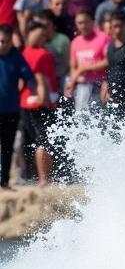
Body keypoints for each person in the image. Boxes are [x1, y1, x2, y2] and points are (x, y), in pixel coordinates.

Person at [0, 24, 40, 188]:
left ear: (11, 42)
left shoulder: (16, 57)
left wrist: (35, 93)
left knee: (7, 147)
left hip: (11, 110)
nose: (3, 45)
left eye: (6, 41)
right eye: (0, 41)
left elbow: (29, 78)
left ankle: (3, 183)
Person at [19, 21, 59, 186]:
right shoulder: (41, 54)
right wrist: (45, 100)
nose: (43, 37)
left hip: (27, 102)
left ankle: (42, 178)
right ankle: (44, 179)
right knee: (44, 141)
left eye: (44, 34)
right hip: (40, 102)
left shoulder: (24, 52)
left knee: (39, 141)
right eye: (39, 34)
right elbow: (40, 79)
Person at [67, 10, 110, 112]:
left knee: (98, 116)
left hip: (99, 84)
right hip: (82, 85)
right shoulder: (75, 42)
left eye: (86, 22)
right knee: (81, 118)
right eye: (80, 23)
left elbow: (109, 61)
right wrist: (72, 83)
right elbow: (74, 66)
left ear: (92, 22)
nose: (83, 26)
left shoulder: (103, 38)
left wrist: (85, 67)